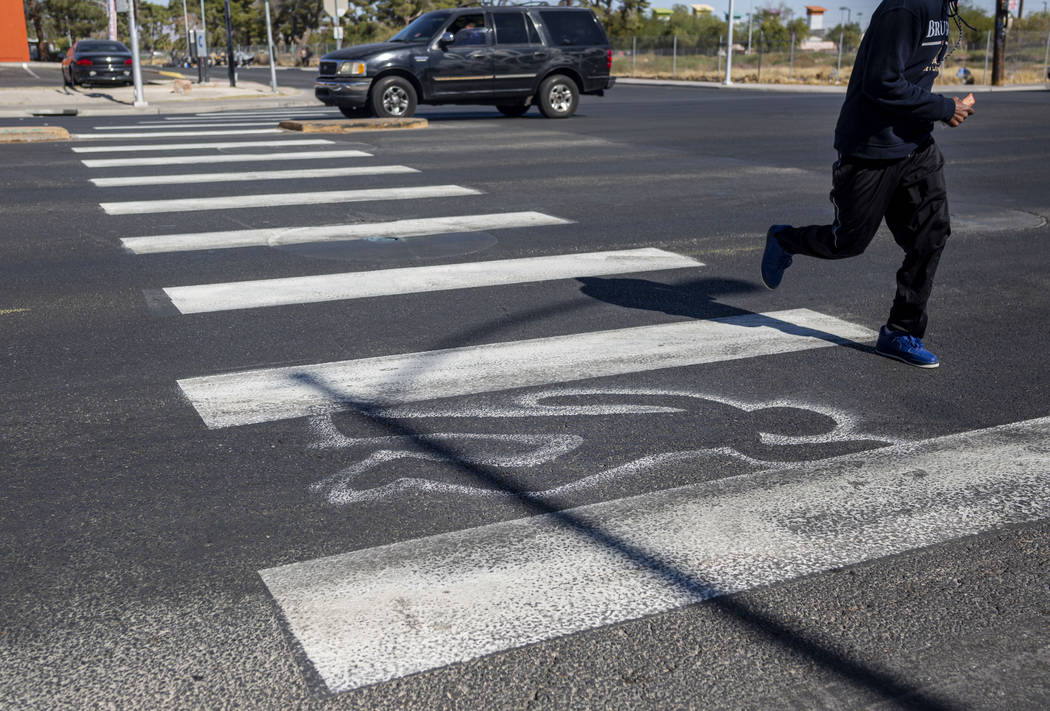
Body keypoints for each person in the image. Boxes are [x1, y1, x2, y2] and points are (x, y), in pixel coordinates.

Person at [761, 0, 976, 368]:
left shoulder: (941, 8)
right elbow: (883, 82)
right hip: (869, 149)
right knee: (848, 242)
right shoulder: (905, 9)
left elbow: (914, 76)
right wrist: (944, 108)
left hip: (916, 147)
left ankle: (900, 331)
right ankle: (785, 239)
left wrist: (936, 112)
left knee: (932, 235)